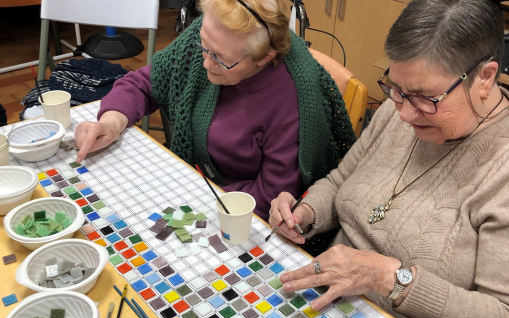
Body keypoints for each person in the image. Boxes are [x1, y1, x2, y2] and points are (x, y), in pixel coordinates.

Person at [269, 0, 509, 318]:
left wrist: (390, 278)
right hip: (333, 317)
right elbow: (339, 181)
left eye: (425, 99)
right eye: (394, 88)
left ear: (485, 77)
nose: (403, 113)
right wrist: (306, 213)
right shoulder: (401, 106)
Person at [73, 0, 356, 220]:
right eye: (203, 46)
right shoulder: (211, 36)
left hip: (233, 214)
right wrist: (111, 122)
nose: (206, 63)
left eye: (221, 59)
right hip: (190, 186)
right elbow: (145, 82)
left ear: (264, 57)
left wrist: (192, 200)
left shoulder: (294, 104)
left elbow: (269, 199)